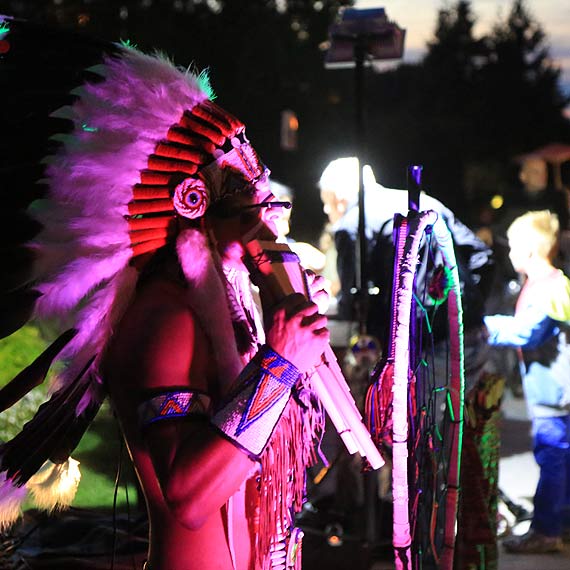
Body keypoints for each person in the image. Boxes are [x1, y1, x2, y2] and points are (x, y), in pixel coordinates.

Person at [0, 24, 330, 570]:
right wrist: (278, 366)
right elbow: (189, 495)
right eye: (250, 196)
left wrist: (290, 336)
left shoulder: (220, 310)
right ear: (195, 201)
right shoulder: (165, 316)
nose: (269, 208)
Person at [318, 156, 502, 568]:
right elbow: (482, 258)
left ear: (339, 195)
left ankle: (418, 545)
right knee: (446, 441)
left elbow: (356, 303)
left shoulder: (353, 223)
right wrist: (458, 308)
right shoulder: (430, 203)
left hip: (421, 352)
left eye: (326, 202)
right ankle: (439, 540)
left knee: (418, 444)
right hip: (467, 338)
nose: (328, 211)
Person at [485, 210, 570, 554]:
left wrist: (480, 326)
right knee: (559, 460)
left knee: (552, 458)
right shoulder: (549, 283)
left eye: (514, 246)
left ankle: (546, 531)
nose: (508, 252)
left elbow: (528, 332)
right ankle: (558, 525)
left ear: (531, 250)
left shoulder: (549, 288)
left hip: (555, 394)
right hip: (553, 392)